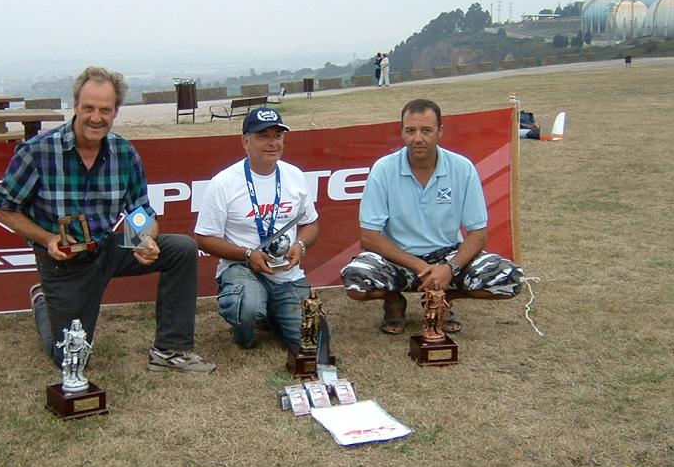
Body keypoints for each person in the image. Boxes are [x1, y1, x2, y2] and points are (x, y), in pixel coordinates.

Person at [0, 65, 215, 373]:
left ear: (115, 112)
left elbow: (140, 211)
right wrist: (48, 239)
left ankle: (171, 350)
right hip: (63, 261)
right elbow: (5, 209)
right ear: (75, 106)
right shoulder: (37, 151)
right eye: (89, 108)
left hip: (106, 248)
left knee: (181, 248)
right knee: (72, 357)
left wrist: (144, 240)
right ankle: (43, 303)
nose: (96, 118)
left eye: (105, 110)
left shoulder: (124, 152)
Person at [341, 98, 524, 334]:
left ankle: (443, 298)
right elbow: (369, 237)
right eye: (411, 130)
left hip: (448, 256)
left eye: (426, 130)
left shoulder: (462, 168)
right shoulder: (383, 169)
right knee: (356, 281)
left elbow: (478, 234)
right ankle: (393, 300)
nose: (418, 138)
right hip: (399, 259)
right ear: (402, 132)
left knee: (510, 278)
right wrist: (422, 267)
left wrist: (449, 268)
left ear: (440, 131)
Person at [194, 108, 319, 351]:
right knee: (247, 306)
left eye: (278, 136)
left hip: (285, 273)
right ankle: (244, 333)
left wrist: (300, 245)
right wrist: (247, 254)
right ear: (245, 141)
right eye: (263, 136)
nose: (273, 143)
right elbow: (204, 238)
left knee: (312, 340)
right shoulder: (224, 183)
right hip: (241, 268)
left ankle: (274, 313)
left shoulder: (295, 176)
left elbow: (311, 223)